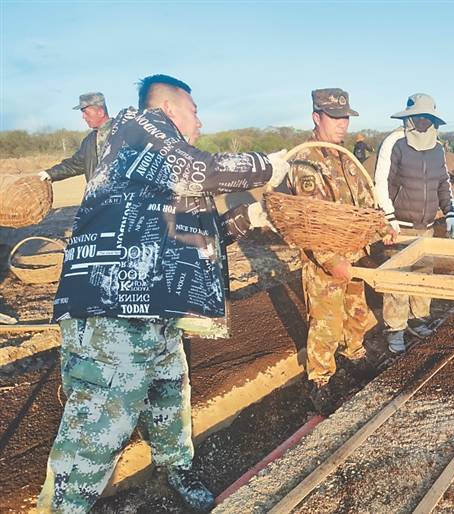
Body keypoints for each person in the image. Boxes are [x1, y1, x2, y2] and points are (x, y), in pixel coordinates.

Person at [38, 74, 290, 513]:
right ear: (170, 108)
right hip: (112, 307)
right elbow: (200, 170)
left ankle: (174, 469)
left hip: (154, 309)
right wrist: (268, 166)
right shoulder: (136, 126)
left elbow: (192, 240)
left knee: (169, 393)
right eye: (195, 111)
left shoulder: (158, 164)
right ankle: (64, 507)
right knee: (99, 424)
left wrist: (252, 216)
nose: (201, 122)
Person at [286, 88, 390, 414]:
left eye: (345, 117)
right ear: (316, 117)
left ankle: (355, 353)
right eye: (335, 118)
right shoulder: (306, 162)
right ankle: (320, 378)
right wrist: (331, 260)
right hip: (325, 261)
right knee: (326, 321)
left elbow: (364, 200)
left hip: (354, 252)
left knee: (357, 313)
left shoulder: (346, 158)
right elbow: (309, 218)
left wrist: (381, 226)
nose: (342, 124)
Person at [374, 93, 454, 353]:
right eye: (418, 117)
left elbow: (443, 183)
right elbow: (381, 182)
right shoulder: (394, 143)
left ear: (434, 120)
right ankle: (395, 329)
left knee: (423, 277)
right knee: (397, 281)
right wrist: (388, 217)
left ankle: (418, 320)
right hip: (399, 226)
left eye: (427, 118)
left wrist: (451, 212)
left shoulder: (437, 147)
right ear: (408, 118)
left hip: (426, 227)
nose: (423, 122)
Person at [38, 93, 114, 183]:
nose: (83, 117)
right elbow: (75, 164)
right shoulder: (89, 141)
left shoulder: (124, 133)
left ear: (100, 112)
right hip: (98, 196)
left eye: (85, 112)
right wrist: (50, 173)